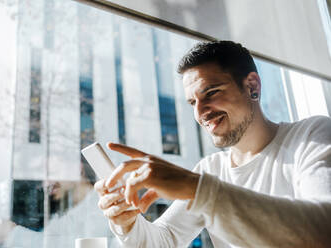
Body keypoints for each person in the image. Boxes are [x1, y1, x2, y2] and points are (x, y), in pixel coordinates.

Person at [94, 41, 331, 247]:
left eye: (211, 93)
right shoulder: (211, 170)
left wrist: (197, 189)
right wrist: (127, 224)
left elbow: (324, 232)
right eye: (191, 102)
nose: (200, 113)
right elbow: (163, 241)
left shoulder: (312, 135)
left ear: (252, 86)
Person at [0, 167, 119, 248]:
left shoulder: (103, 209)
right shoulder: (66, 215)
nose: (46, 184)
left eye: (51, 173)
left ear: (77, 168)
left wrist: (12, 234)